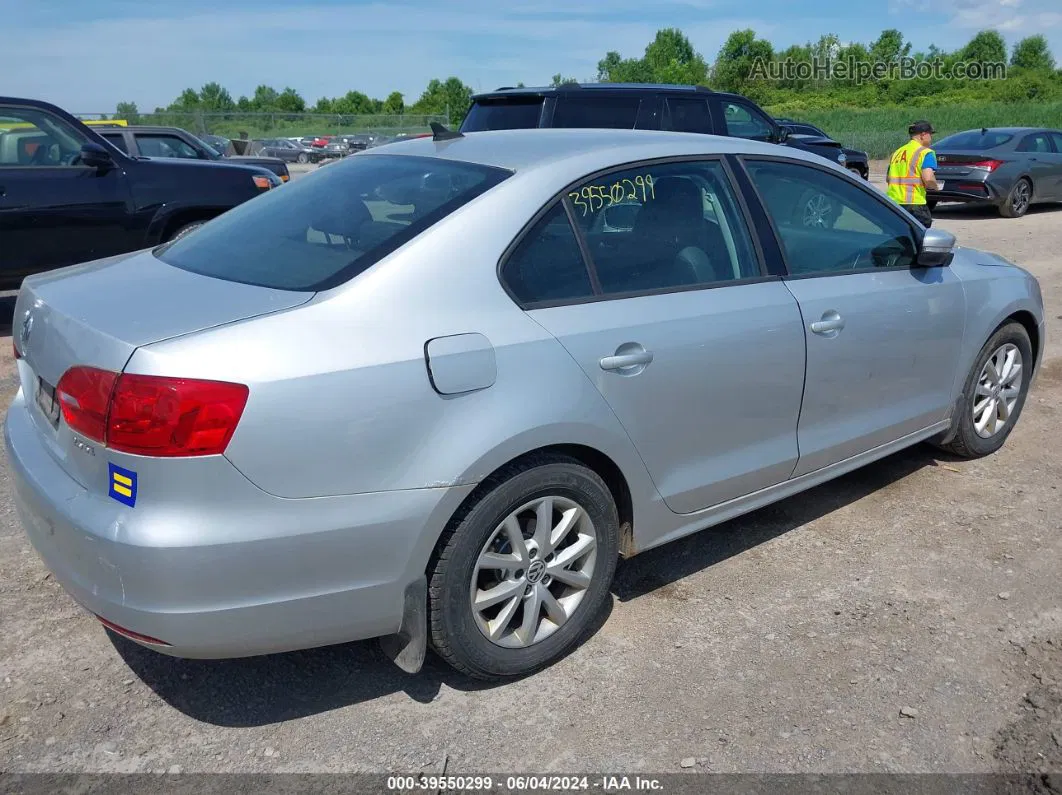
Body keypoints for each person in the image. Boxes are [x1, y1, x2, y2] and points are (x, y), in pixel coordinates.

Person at [885, 120, 939, 227]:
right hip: (914, 204)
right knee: (920, 237)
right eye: (930, 134)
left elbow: (888, 178)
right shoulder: (926, 152)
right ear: (923, 135)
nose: (931, 138)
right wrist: (936, 187)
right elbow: (928, 179)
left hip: (893, 203)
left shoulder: (897, 152)